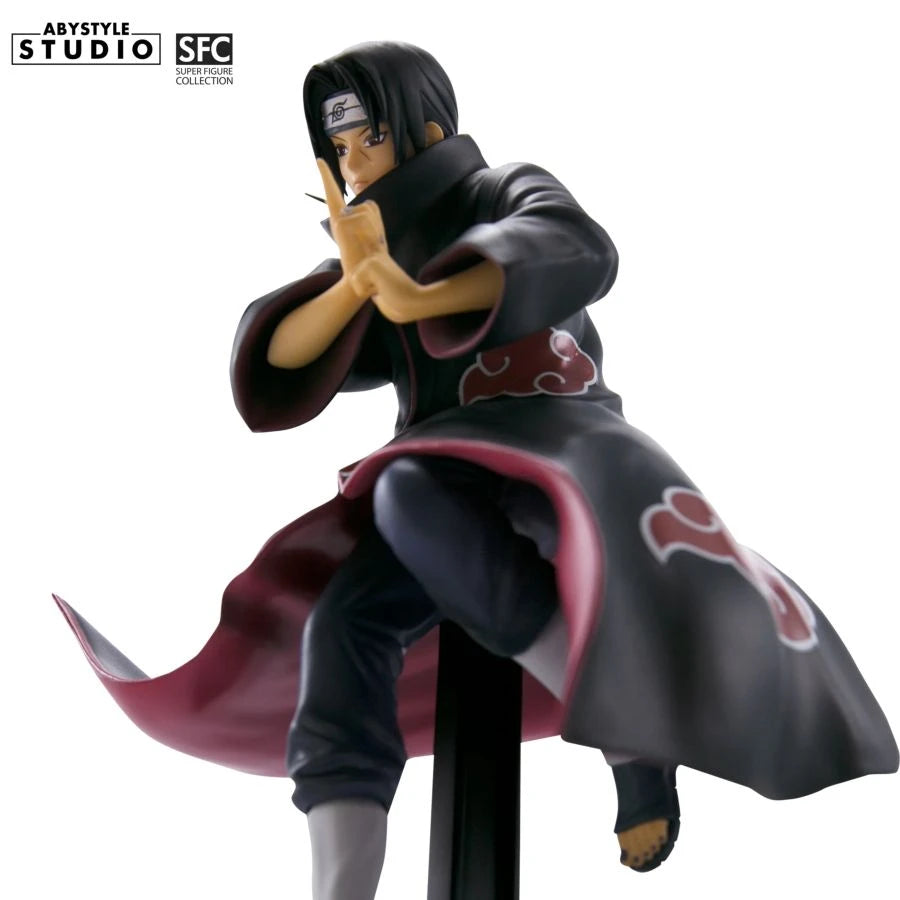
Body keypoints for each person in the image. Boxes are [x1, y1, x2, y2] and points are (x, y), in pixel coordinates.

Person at [56, 41, 898, 900]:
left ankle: (626, 729)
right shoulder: (374, 246)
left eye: (367, 139)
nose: (352, 163)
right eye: (338, 148)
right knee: (341, 628)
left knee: (410, 493)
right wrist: (357, 284)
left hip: (555, 448)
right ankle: (341, 883)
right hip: (439, 482)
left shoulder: (500, 190)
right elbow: (278, 359)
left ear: (425, 130)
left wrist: (420, 296)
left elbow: (573, 248)